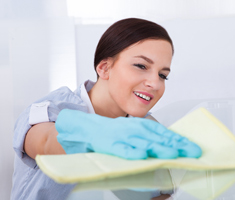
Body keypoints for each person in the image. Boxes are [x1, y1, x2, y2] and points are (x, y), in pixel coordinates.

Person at [11, 18, 202, 200]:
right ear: (104, 68)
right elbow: (45, 141)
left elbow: (157, 193)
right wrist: (96, 137)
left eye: (162, 75)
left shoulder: (147, 127)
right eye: (141, 65)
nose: (154, 83)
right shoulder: (54, 109)